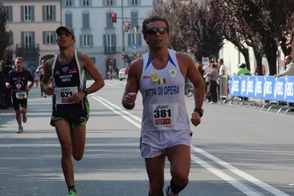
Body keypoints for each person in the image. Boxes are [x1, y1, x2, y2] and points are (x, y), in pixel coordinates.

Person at [121, 16, 205, 196]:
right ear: (145, 37)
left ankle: (173, 192)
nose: (157, 34)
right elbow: (127, 100)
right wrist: (128, 101)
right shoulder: (138, 66)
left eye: (161, 31)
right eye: (152, 31)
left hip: (178, 130)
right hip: (151, 133)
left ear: (167, 35)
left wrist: (198, 110)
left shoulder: (182, 60)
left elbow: (199, 84)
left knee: (181, 175)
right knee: (155, 186)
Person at [41, 26, 105, 196]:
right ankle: (71, 189)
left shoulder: (82, 59)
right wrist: (46, 87)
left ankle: (71, 186)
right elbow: (43, 82)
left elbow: (100, 82)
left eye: (66, 35)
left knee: (77, 154)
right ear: (57, 40)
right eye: (59, 35)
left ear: (73, 40)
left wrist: (83, 93)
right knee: (65, 146)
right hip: (60, 110)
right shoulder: (50, 63)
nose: (62, 37)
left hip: (79, 109)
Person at [5, 57, 35, 133]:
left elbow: (32, 81)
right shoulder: (11, 73)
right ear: (15, 63)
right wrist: (7, 84)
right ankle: (20, 126)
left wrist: (29, 87)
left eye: (20, 62)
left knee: (23, 110)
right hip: (14, 94)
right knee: (17, 111)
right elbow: (7, 81)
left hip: (23, 94)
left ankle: (24, 114)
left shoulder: (27, 72)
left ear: (23, 63)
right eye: (17, 62)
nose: (18, 64)